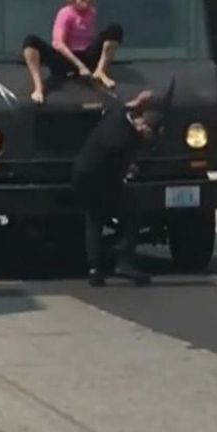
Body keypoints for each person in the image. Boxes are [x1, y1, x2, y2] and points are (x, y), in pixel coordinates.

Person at [72, 90, 157, 287]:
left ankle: (95, 270)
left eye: (145, 126)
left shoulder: (118, 118)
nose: (142, 125)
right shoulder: (125, 136)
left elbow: (120, 108)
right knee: (131, 213)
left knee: (95, 217)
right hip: (98, 179)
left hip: (83, 175)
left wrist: (135, 103)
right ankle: (123, 262)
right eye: (143, 124)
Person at [22, 0, 124, 104]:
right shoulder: (65, 14)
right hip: (66, 57)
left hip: (86, 55)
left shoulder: (92, 13)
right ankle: (38, 87)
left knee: (115, 29)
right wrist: (80, 66)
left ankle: (100, 71)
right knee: (31, 40)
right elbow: (58, 43)